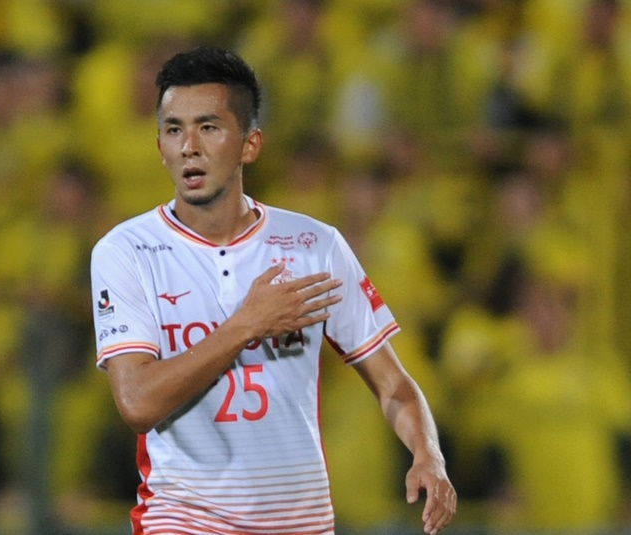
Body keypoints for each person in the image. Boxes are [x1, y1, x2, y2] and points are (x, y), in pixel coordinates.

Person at [90, 46, 456, 535]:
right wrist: (247, 325)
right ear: (159, 146)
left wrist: (428, 454)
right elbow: (137, 403)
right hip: (181, 522)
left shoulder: (314, 246)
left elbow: (394, 385)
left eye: (208, 127)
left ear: (250, 145)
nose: (189, 146)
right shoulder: (127, 251)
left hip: (298, 523)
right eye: (174, 129)